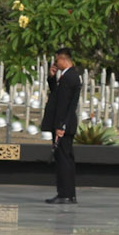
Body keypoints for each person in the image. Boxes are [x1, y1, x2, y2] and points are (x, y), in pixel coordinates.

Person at [40, 47, 82, 205]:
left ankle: (65, 193)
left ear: (64, 59)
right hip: (64, 124)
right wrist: (51, 78)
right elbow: (58, 96)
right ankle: (68, 194)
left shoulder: (69, 78)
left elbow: (65, 105)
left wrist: (60, 126)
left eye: (57, 60)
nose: (55, 63)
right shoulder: (68, 76)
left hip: (63, 125)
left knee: (63, 160)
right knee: (66, 159)